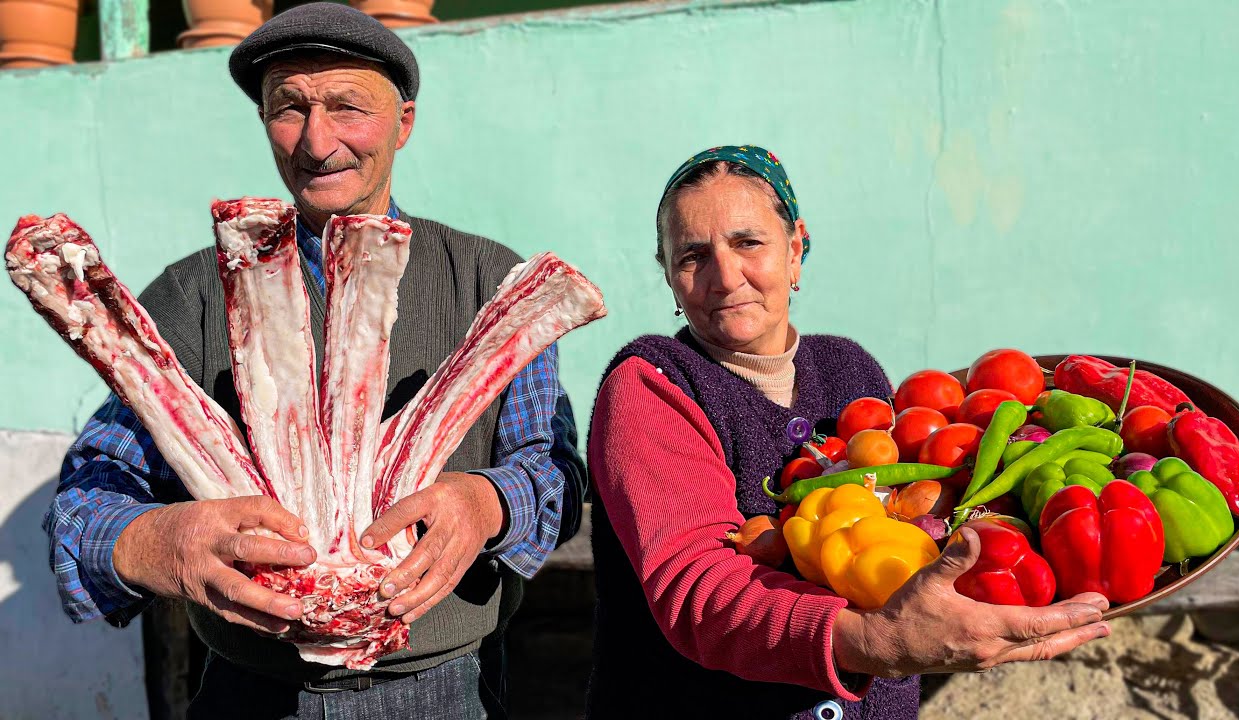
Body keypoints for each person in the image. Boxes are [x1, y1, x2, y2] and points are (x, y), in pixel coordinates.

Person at [42, 4, 584, 718]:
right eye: (289, 108)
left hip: (449, 691)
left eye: (347, 107)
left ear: (405, 122)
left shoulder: (491, 285)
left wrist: (485, 504)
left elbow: (557, 472)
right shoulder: (193, 295)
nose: (317, 141)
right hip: (250, 692)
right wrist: (157, 541)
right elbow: (85, 498)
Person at [585, 145, 1111, 719]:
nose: (724, 276)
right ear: (667, 275)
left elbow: (915, 526)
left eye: (748, 243)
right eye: (692, 255)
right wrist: (876, 642)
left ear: (795, 249)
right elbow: (700, 593)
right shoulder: (652, 385)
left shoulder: (850, 370)